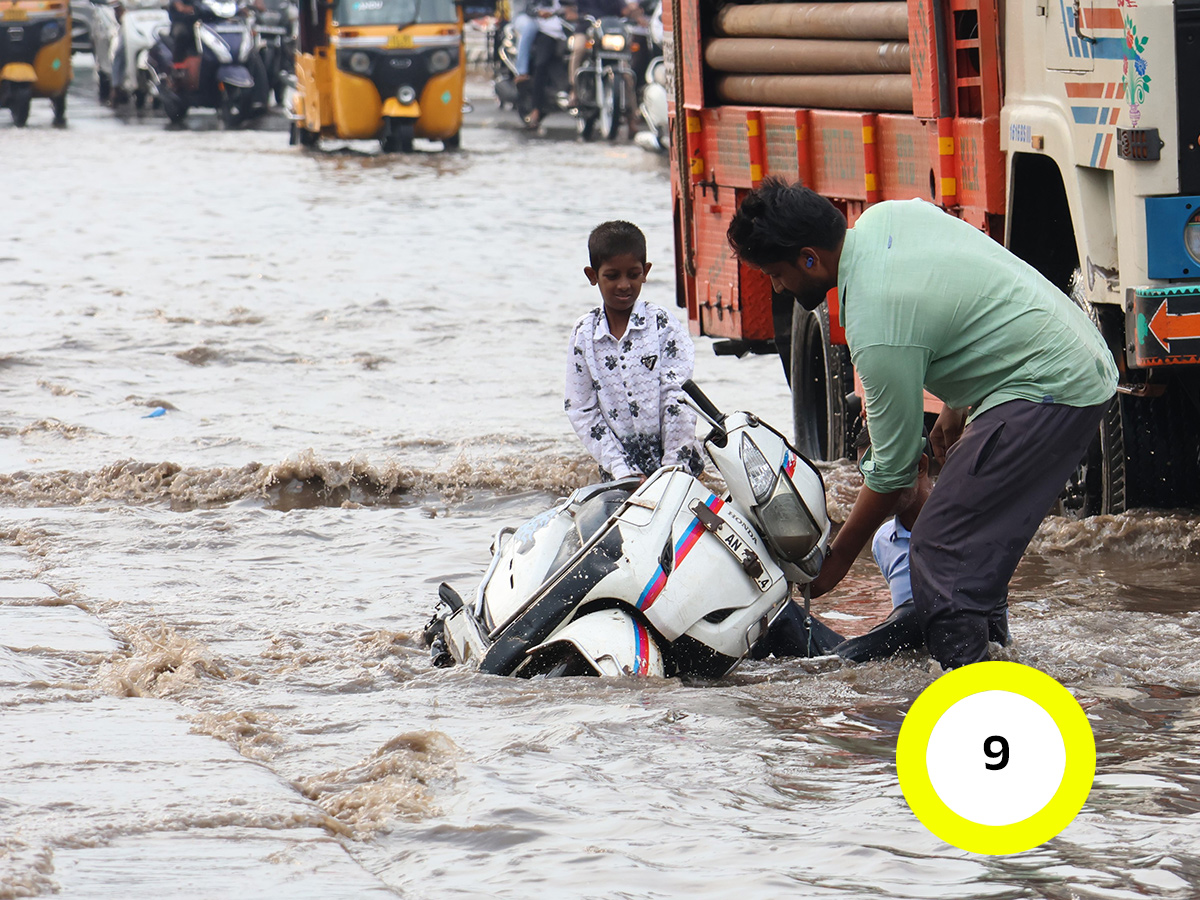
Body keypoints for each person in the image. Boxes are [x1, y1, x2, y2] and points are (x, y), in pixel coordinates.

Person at [726, 178, 1118, 670]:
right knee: (965, 544)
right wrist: (956, 402)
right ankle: (995, 661)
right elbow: (964, 289)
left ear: (809, 259)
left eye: (776, 274)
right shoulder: (888, 217)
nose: (777, 287)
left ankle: (966, 691)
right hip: (1072, 356)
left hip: (1050, 386)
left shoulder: (874, 322)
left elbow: (893, 474)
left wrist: (836, 563)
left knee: (941, 550)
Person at [829, 423, 1008, 663]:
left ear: (920, 467)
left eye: (881, 475)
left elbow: (983, 616)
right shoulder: (883, 541)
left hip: (972, 647)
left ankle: (836, 659)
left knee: (931, 605)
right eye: (866, 478)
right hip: (914, 643)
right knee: (789, 623)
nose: (871, 491)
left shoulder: (970, 526)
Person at [565, 220, 705, 482]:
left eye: (633, 274)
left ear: (645, 272)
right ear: (592, 276)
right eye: (612, 276)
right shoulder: (584, 334)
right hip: (621, 476)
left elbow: (678, 396)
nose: (624, 285)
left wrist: (672, 469)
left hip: (679, 470)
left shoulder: (661, 324)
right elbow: (581, 409)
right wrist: (622, 470)